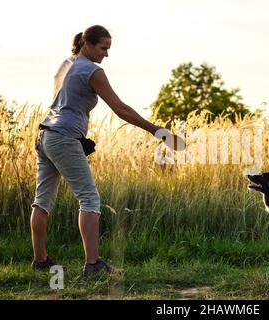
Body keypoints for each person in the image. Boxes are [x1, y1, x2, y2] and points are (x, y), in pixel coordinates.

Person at [30, 25, 182, 276]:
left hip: (46, 135)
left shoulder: (66, 64)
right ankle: (93, 265)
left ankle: (40, 261)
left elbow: (67, 103)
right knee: (90, 199)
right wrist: (157, 131)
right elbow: (120, 109)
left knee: (42, 201)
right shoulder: (92, 70)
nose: (106, 55)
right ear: (87, 44)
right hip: (64, 138)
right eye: (103, 48)